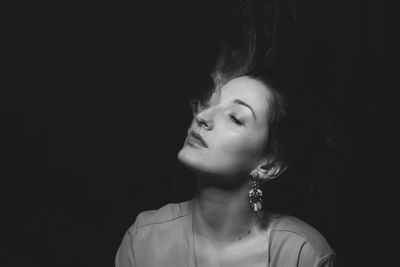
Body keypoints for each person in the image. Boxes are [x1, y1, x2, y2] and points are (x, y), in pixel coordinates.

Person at [116, 1, 335, 266]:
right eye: (210, 104)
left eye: (234, 117)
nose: (202, 117)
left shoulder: (302, 254)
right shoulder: (144, 239)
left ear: (269, 164)